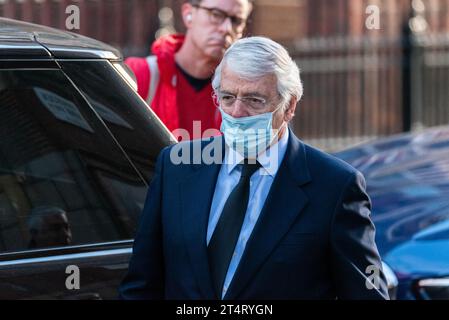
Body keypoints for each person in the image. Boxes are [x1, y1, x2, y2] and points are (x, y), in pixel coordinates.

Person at [119, 36, 390, 300]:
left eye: (254, 100)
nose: (237, 111)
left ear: (289, 106)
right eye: (227, 97)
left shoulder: (335, 186)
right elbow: (142, 284)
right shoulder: (177, 166)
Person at [126, 0, 253, 140]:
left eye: (237, 21)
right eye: (216, 14)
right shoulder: (140, 74)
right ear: (188, 14)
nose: (227, 28)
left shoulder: (244, 92)